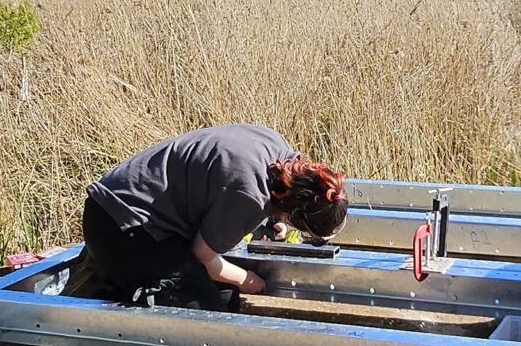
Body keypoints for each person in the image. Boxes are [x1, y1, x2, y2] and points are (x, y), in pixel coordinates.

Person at [62, 126, 348, 306]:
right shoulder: (249, 197)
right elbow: (203, 254)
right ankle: (105, 288)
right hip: (120, 225)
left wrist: (275, 220)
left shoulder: (277, 147)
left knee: (223, 294)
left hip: (134, 209)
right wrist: (247, 280)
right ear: (293, 212)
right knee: (206, 311)